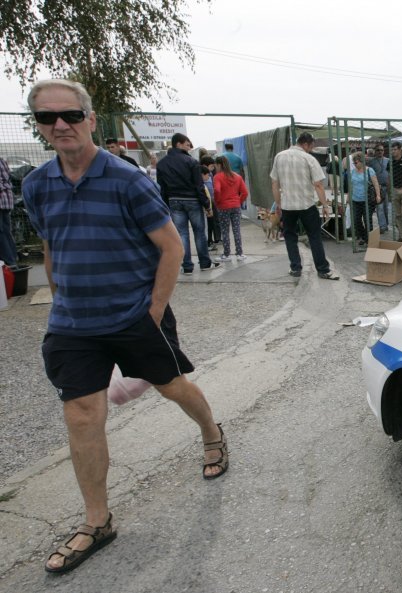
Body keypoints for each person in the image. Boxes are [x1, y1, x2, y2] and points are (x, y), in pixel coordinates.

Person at [20, 79, 228, 574]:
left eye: (70, 114)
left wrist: (152, 313)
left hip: (134, 313)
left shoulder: (126, 178)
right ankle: (98, 521)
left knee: (172, 387)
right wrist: (58, 300)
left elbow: (172, 248)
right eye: (48, 118)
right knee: (83, 413)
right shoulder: (36, 185)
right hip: (73, 322)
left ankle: (212, 433)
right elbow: (52, 247)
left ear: (90, 119)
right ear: (40, 127)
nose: (61, 125)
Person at [270, 132, 339, 280]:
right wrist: (326, 205)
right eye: (311, 146)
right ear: (306, 144)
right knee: (314, 236)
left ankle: (295, 268)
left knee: (290, 237)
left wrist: (278, 203)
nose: (311, 149)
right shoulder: (309, 159)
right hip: (307, 205)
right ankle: (323, 270)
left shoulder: (279, 157)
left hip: (288, 205)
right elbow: (319, 184)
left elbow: (275, 183)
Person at [157, 133, 219, 274]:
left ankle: (187, 266)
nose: (189, 146)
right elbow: (199, 185)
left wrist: (165, 205)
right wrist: (206, 204)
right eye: (187, 144)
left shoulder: (162, 163)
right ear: (178, 144)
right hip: (193, 200)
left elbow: (162, 187)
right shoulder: (191, 162)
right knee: (199, 232)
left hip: (174, 201)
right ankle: (204, 263)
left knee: (182, 234)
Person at [212, 155, 248, 261]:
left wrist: (218, 202)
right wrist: (238, 201)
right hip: (235, 206)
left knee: (225, 230)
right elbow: (245, 192)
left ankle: (226, 254)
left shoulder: (217, 177)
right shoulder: (237, 176)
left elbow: (217, 190)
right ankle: (239, 253)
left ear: (219, 165)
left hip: (223, 207)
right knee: (236, 230)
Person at [348, 153, 382, 246]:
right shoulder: (353, 172)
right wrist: (348, 197)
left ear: (362, 161)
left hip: (367, 200)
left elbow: (375, 183)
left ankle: (369, 241)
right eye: (354, 163)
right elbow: (351, 186)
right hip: (356, 200)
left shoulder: (369, 171)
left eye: (356, 162)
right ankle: (365, 237)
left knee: (367, 221)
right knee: (356, 220)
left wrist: (378, 195)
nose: (355, 164)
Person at [368, 143, 390, 233]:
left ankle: (386, 224)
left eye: (382, 150)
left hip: (387, 186)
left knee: (386, 208)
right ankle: (382, 226)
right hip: (378, 187)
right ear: (375, 151)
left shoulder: (388, 160)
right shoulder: (371, 162)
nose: (380, 152)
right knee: (379, 207)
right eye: (378, 150)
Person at [0, 156, 16, 266]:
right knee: (5, 231)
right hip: (5, 201)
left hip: (2, 201)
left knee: (2, 232)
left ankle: (9, 262)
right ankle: (12, 260)